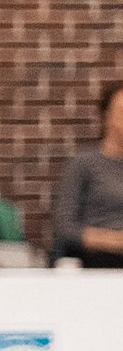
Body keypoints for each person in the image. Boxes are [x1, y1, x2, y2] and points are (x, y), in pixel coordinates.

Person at [53, 78, 123, 269]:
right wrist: (115, 241)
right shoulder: (84, 163)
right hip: (99, 258)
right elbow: (65, 227)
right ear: (106, 116)